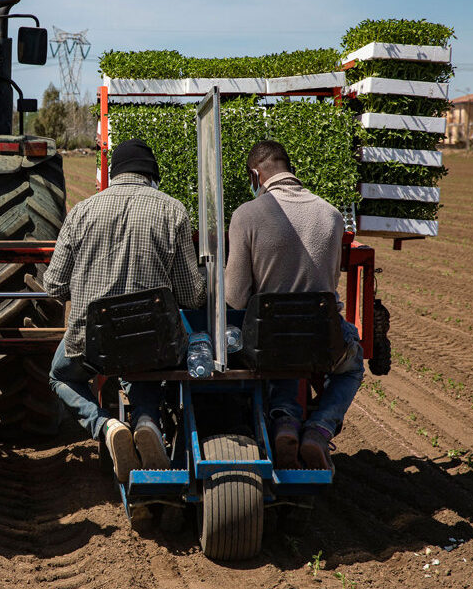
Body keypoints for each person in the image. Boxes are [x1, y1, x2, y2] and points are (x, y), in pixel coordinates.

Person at [44, 138, 206, 483]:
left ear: (113, 173)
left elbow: (54, 287)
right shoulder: (173, 210)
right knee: (145, 360)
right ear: (151, 174)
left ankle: (108, 425)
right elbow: (192, 296)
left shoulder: (82, 211)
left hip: (93, 342)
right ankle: (147, 421)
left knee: (60, 375)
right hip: (154, 341)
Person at [225, 140, 364, 472]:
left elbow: (235, 297)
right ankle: (319, 428)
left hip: (269, 339)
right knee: (352, 365)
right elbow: (327, 285)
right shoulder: (331, 216)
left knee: (278, 343)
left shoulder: (246, 214)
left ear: (256, 175)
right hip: (320, 334)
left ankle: (285, 421)